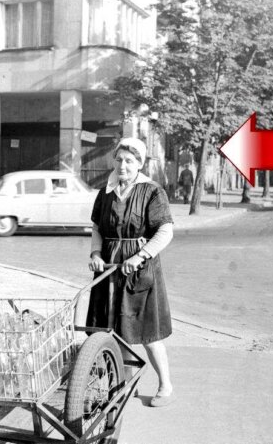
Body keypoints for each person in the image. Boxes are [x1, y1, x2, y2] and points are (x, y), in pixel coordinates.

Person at [87, 137, 175, 407]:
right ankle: (120, 386)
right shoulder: (105, 192)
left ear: (139, 163)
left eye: (129, 160)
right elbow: (97, 229)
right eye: (119, 159)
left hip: (139, 270)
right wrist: (95, 254)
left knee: (147, 334)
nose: (123, 165)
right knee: (109, 330)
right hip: (109, 269)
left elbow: (165, 231)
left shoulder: (151, 191)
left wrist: (139, 257)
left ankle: (165, 386)